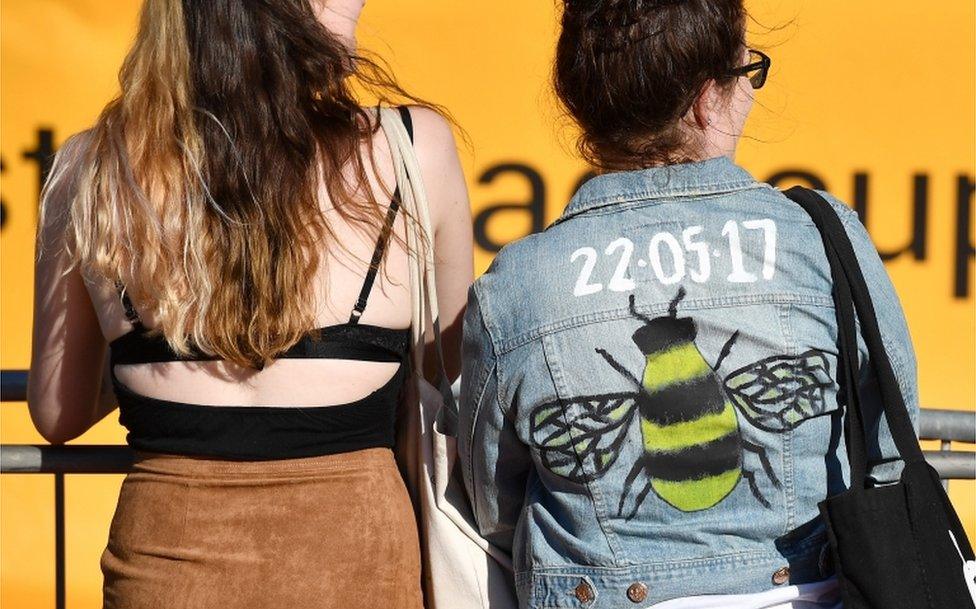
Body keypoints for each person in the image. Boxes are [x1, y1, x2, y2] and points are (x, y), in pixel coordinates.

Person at [458, 1, 917, 608]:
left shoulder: (516, 285)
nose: (750, 96)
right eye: (747, 74)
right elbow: (891, 438)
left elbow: (494, 502)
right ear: (706, 99)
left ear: (577, 102)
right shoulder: (821, 239)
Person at [28, 0, 472, 607]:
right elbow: (456, 381)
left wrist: (153, 349)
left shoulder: (93, 169)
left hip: (164, 568)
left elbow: (57, 413)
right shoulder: (412, 149)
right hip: (359, 563)